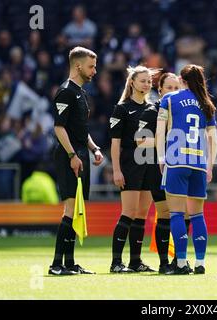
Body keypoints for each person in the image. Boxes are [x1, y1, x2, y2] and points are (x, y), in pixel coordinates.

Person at [156, 64, 217, 275]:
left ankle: (181, 262)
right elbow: (213, 137)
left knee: (176, 214)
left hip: (176, 161)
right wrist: (210, 165)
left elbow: (159, 131)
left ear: (182, 81)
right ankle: (200, 262)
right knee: (198, 215)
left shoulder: (169, 99)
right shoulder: (206, 103)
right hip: (199, 164)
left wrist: (161, 157)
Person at [49, 46, 104, 276]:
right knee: (70, 208)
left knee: (77, 209)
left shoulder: (81, 93)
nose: (94, 71)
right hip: (68, 155)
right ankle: (56, 265)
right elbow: (59, 128)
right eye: (91, 66)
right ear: (78, 65)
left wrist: (94, 148)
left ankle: (70, 263)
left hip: (81, 154)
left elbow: (80, 129)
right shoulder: (66, 92)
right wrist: (72, 155)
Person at [136, 72, 192, 274]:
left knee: (184, 212)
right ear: (159, 90)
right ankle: (163, 263)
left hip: (181, 165)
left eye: (176, 88)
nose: (173, 92)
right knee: (165, 213)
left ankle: (180, 260)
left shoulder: (184, 112)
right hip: (157, 168)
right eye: (168, 88)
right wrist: (168, 141)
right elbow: (140, 141)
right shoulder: (152, 111)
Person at [109, 65, 157, 273]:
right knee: (128, 213)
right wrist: (116, 170)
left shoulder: (152, 109)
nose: (147, 84)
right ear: (132, 83)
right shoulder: (122, 109)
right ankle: (116, 262)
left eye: (149, 81)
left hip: (148, 164)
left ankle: (135, 261)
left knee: (141, 215)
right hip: (130, 164)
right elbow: (115, 143)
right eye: (143, 80)